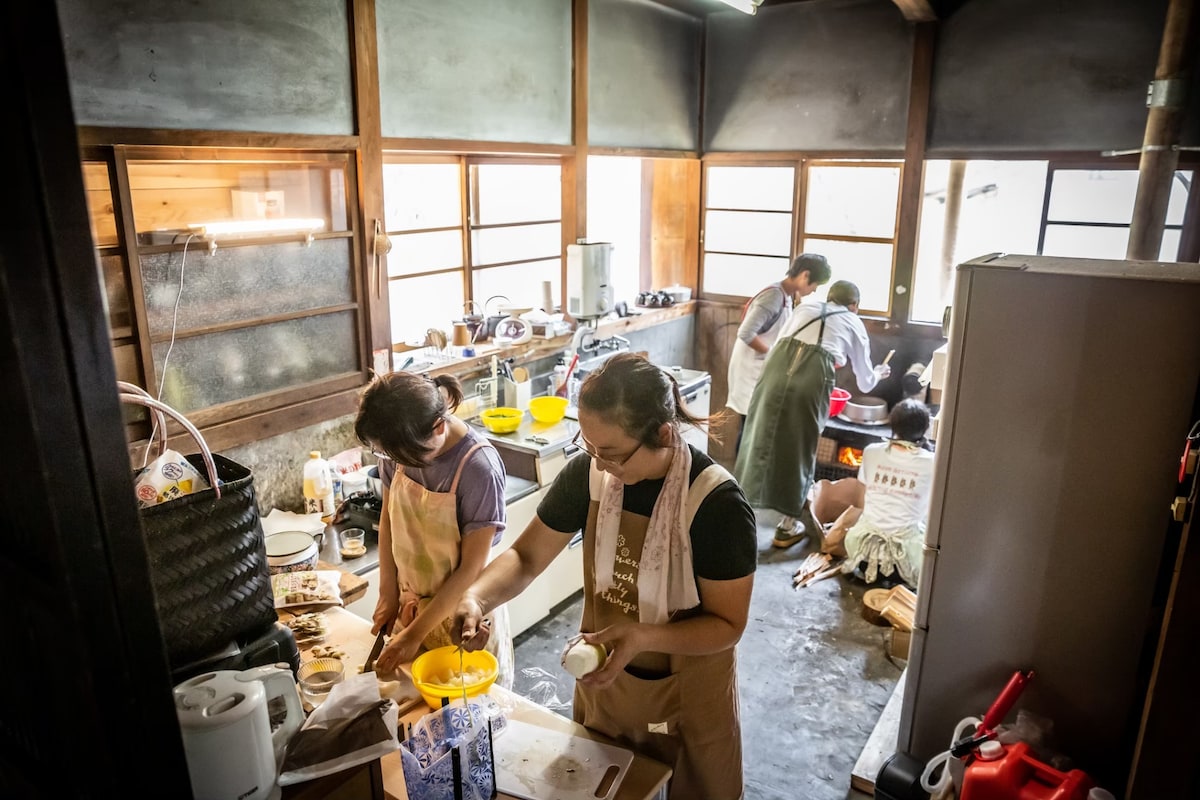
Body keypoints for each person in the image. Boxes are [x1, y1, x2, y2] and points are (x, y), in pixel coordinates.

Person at [452, 353, 757, 800]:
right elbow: (526, 556)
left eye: (611, 453)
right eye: (588, 446)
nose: (600, 462)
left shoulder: (716, 505)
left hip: (689, 691)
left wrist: (641, 635)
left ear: (663, 434)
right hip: (606, 684)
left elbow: (729, 625)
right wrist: (477, 598)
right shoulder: (591, 473)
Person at [354, 371, 514, 686]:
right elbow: (387, 517)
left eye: (412, 457)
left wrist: (415, 634)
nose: (397, 462)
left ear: (438, 427)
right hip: (410, 606)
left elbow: (472, 567)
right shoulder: (397, 444)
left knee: (468, 709)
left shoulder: (478, 469)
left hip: (462, 615)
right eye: (388, 454)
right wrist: (388, 591)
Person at [736, 279, 891, 548]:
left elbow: (784, 341)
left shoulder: (804, 308)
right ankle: (786, 527)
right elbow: (865, 381)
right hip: (811, 378)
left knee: (758, 435)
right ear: (854, 305)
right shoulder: (854, 322)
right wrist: (880, 373)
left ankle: (736, 510)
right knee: (801, 445)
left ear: (829, 297)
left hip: (774, 369)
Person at [726, 253, 832, 452]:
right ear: (805, 275)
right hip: (750, 370)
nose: (815, 289)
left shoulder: (787, 296)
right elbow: (746, 333)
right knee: (749, 427)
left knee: (754, 427)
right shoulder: (773, 296)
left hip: (760, 369)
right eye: (815, 284)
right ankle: (739, 479)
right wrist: (775, 354)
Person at [841, 398, 935, 588]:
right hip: (907, 561)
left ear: (892, 424)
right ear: (925, 429)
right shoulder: (933, 463)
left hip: (862, 553)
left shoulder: (871, 452)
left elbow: (860, 501)